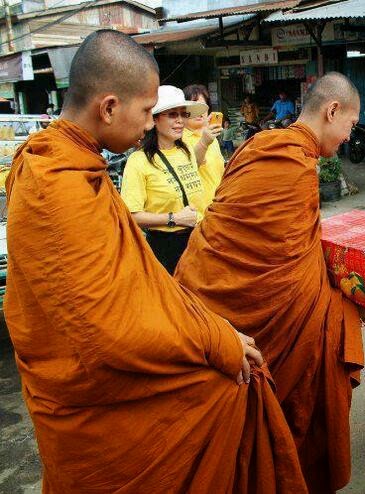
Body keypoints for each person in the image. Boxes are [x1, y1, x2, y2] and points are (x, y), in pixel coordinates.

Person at [3, 29, 307, 494]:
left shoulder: (71, 164)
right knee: (225, 390)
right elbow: (104, 327)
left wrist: (209, 326)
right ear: (108, 107)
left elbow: (135, 280)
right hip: (91, 402)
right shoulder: (55, 181)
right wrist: (215, 341)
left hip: (94, 366)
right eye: (147, 112)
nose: (150, 124)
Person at [175, 72, 365, 494]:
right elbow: (277, 254)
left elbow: (288, 244)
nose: (348, 138)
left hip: (205, 289)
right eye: (351, 127)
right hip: (257, 319)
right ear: (332, 111)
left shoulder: (259, 146)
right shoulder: (292, 163)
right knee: (322, 339)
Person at [120, 85, 210, 275]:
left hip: (198, 241)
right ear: (154, 120)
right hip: (165, 249)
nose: (179, 121)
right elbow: (131, 215)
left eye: (182, 114)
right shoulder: (138, 161)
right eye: (171, 115)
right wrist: (174, 218)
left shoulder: (186, 151)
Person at [181, 83, 225, 208]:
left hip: (218, 207)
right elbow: (189, 168)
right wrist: (204, 142)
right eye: (194, 107)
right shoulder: (179, 138)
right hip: (197, 213)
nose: (200, 112)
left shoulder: (212, 137)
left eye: (203, 107)